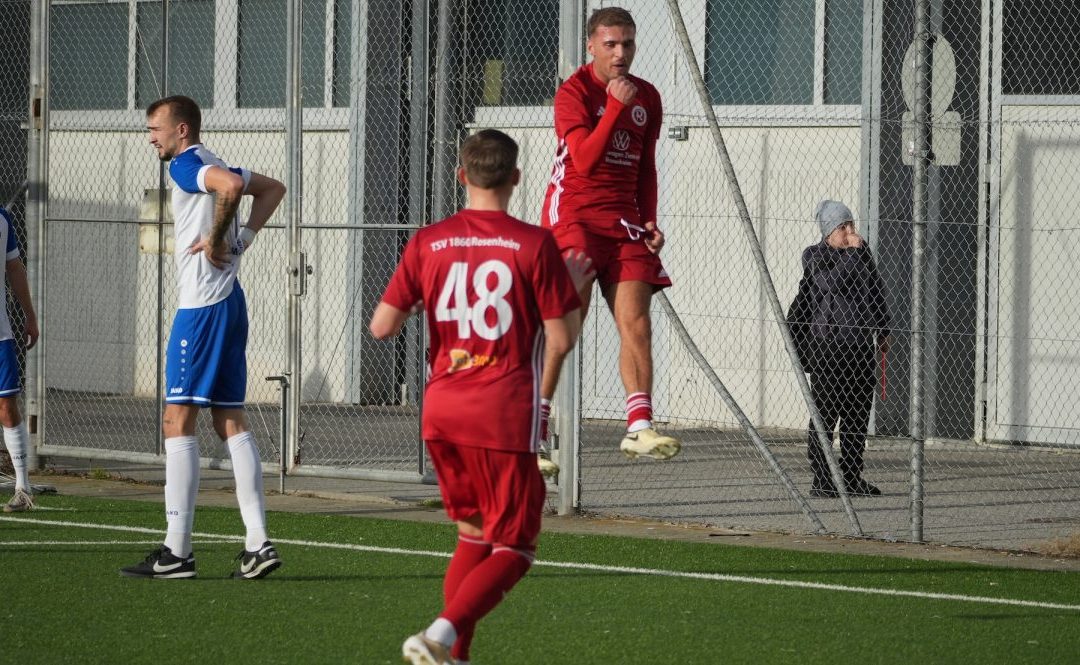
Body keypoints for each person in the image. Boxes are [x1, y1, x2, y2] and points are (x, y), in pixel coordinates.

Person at [370, 129, 589, 665]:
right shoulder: (534, 244)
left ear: (460, 176)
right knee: (516, 547)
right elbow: (562, 339)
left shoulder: (427, 241)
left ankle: (455, 656)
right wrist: (571, 286)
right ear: (516, 178)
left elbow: (381, 327)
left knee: (472, 535)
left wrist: (428, 297)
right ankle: (439, 636)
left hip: (442, 410)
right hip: (501, 411)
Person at [122, 95, 286, 579]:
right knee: (229, 420)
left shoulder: (187, 164)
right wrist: (243, 239)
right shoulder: (212, 160)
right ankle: (257, 543)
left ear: (182, 130)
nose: (151, 138)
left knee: (176, 420)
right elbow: (272, 189)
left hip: (203, 309)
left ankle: (177, 552)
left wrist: (218, 239)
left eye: (155, 129)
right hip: (230, 303)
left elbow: (233, 187)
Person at [541, 6, 679, 463]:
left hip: (623, 224)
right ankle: (533, 424)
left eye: (628, 44)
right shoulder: (573, 92)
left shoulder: (648, 96)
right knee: (566, 323)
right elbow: (583, 160)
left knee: (637, 321)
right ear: (591, 46)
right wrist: (615, 107)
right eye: (611, 44)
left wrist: (649, 219)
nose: (621, 53)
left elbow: (645, 167)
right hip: (574, 219)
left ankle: (638, 425)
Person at [796, 200, 890, 498]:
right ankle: (822, 479)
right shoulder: (815, 256)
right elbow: (832, 284)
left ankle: (851, 476)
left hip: (860, 347)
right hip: (829, 348)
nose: (850, 231)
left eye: (851, 224)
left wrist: (884, 327)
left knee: (857, 414)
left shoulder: (862, 253)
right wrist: (852, 253)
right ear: (828, 232)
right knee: (826, 414)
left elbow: (875, 289)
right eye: (842, 227)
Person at [0, 206, 39, 513]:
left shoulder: (2, 218)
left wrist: (29, 314)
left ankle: (23, 487)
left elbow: (14, 267)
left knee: (7, 406)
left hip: (0, 335)